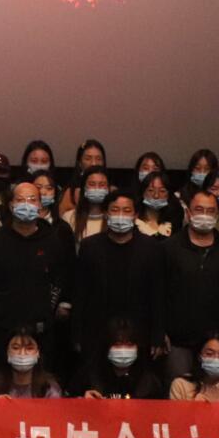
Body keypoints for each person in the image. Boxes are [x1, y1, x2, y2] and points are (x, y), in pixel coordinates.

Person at [0, 182, 71, 379]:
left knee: (41, 384)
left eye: (32, 200)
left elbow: (62, 279)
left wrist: (49, 313)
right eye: (20, 200)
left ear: (40, 205)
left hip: (41, 332)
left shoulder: (54, 241)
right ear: (10, 205)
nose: (26, 204)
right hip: (0, 331)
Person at [70, 190, 164, 369]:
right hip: (97, 331)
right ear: (106, 213)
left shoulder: (151, 248)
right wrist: (77, 334)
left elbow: (157, 295)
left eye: (127, 210)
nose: (121, 215)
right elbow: (80, 293)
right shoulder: (90, 247)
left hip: (139, 332)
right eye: (115, 210)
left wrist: (157, 336)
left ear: (135, 215)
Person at [161, 190, 219, 382]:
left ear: (217, 215)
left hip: (215, 344)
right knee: (179, 392)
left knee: (212, 395)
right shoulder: (169, 248)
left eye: (210, 211)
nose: (204, 215)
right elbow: (157, 292)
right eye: (199, 209)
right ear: (188, 212)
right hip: (177, 342)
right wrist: (160, 331)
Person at [73, 317, 163, 399]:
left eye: (129, 344)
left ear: (138, 348)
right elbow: (70, 401)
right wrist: (82, 401)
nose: (123, 349)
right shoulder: (88, 377)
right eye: (117, 344)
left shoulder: (150, 382)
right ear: (106, 347)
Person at [0, 326, 62, 398]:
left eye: (29, 348)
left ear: (38, 353)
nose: (22, 353)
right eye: (16, 348)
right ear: (7, 352)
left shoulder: (49, 388)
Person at [169, 331, 219, 401]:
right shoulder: (181, 385)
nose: (216, 359)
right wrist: (192, 408)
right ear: (199, 356)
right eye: (209, 354)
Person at [61, 165, 110, 244]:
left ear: (108, 189)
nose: (97, 188)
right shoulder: (69, 217)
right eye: (92, 184)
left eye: (102, 185)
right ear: (84, 188)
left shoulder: (114, 218)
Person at [58, 139, 106, 217]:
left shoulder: (112, 190)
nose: (94, 163)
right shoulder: (70, 193)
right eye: (88, 159)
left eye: (98, 159)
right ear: (80, 163)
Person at [136, 171, 182, 238]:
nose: (156, 196)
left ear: (168, 194)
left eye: (162, 191)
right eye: (151, 190)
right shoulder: (135, 220)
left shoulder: (175, 218)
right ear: (143, 192)